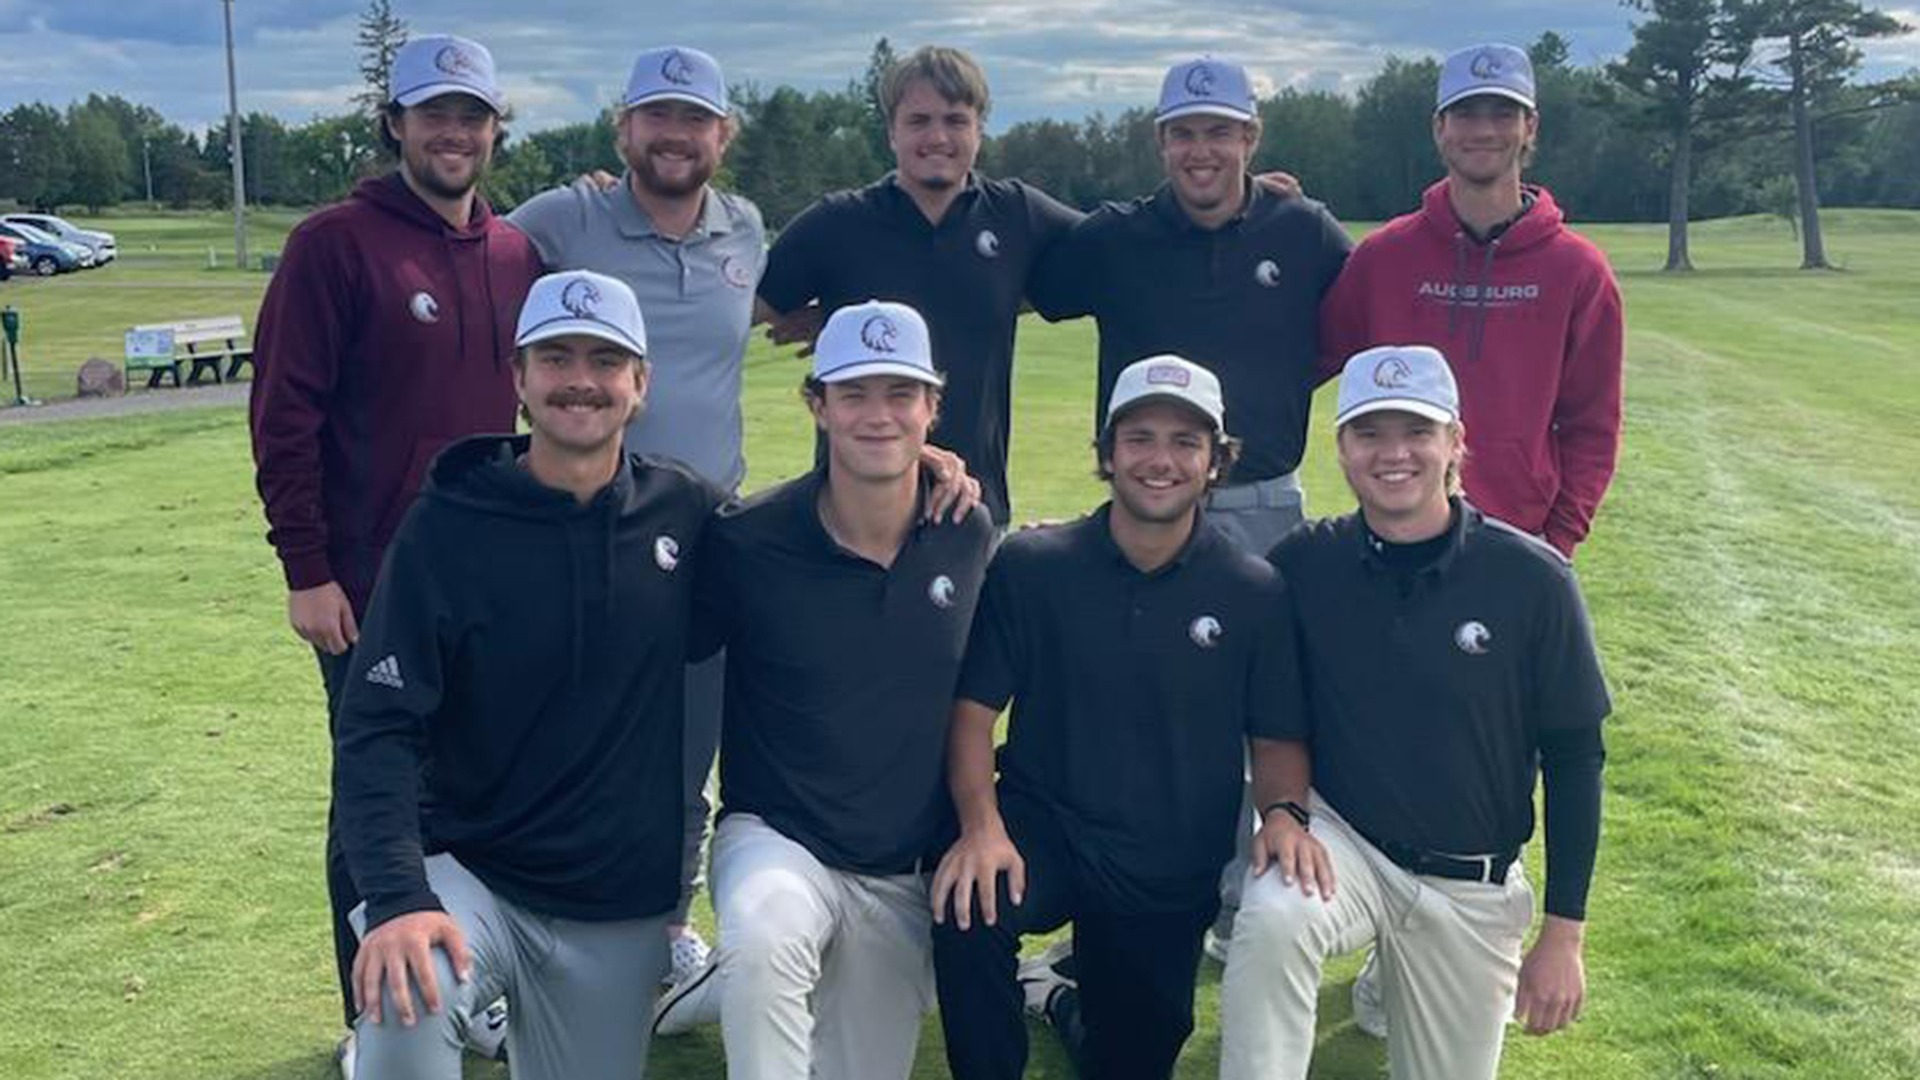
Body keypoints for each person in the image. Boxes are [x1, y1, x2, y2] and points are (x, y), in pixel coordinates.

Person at [333, 269, 724, 1079]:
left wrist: (910, 468)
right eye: (555, 357)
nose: (580, 380)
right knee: (412, 994)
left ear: (640, 384)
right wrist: (400, 898)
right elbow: (377, 725)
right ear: (519, 379)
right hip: (470, 873)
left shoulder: (686, 515)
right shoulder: (446, 523)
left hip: (615, 902)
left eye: (605, 360)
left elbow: (815, 543)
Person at [246, 33, 542, 1074]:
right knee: (373, 791)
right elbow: (284, 416)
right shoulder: (333, 244)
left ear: (496, 128)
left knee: (468, 789)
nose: (453, 132)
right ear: (394, 125)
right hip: (367, 588)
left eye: (472, 114)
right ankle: (368, 1003)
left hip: (488, 586)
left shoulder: (515, 254)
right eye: (433, 114)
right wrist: (305, 567)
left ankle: (465, 985)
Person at [1023, 57, 1351, 971]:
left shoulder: (1305, 229)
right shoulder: (1116, 238)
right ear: (1161, 143)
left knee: (1266, 701)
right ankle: (1149, 887)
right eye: (1184, 133)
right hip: (1154, 497)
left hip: (1264, 500)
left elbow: (1360, 314)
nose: (1201, 150)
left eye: (1220, 131)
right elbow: (1014, 271)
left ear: (1250, 140)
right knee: (1152, 699)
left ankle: (1250, 900)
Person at [1219, 344, 1609, 1080]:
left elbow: (1575, 757)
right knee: (1274, 917)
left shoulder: (1532, 580)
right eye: (1369, 433)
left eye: (1416, 432)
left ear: (1457, 442)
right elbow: (1201, 579)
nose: (1393, 454)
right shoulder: (1306, 563)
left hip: (1471, 881)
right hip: (1346, 848)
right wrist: (1080, 536)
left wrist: (1565, 933)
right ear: (1341, 449)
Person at [929, 356, 1318, 1080]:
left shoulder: (1253, 590)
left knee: (1127, 1058)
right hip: (1043, 827)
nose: (1160, 460)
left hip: (1168, 858)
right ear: (1108, 453)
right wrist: (981, 828)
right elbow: (974, 712)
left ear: (1216, 462)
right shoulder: (1034, 565)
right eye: (1139, 438)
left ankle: (1060, 1003)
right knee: (969, 904)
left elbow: (1276, 736)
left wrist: (1285, 816)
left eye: (1185, 442)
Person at [657, 300, 995, 1079]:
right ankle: (738, 971)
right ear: (818, 404)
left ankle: (717, 987)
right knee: (768, 935)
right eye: (853, 394)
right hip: (778, 838)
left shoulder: (967, 533)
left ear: (931, 408)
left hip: (900, 863)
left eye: (899, 394)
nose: (877, 415)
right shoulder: (747, 539)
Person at [509, 43, 764, 986]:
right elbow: (467, 263)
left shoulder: (744, 230)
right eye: (656, 117)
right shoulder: (564, 217)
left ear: (721, 136)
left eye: (695, 120)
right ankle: (535, 928)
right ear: (623, 130)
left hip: (709, 534)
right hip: (583, 526)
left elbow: (799, 317)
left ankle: (664, 924)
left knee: (689, 748)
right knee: (561, 730)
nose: (675, 136)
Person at [755, 45, 1084, 527]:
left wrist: (1008, 296)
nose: (938, 137)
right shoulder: (837, 223)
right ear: (891, 131)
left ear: (979, 127)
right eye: (919, 121)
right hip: (851, 516)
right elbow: (725, 309)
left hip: (973, 515)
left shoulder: (1016, 215)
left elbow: (1119, 254)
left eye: (955, 120)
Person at [1320, 43, 1624, 560]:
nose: (1483, 131)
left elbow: (1592, 423)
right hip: (1392, 532)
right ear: (1440, 128)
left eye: (1503, 113)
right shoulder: (1384, 258)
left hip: (1523, 539)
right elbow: (1300, 359)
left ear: (1530, 126)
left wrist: (1560, 540)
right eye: (1465, 114)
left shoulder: (1577, 270)